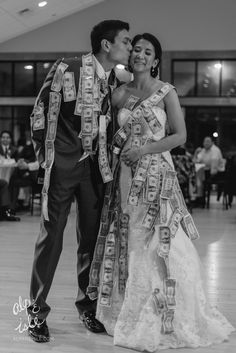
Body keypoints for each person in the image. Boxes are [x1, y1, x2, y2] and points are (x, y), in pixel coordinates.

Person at [88, 33, 234, 352]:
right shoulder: (117, 94)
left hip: (157, 175)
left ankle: (167, 313)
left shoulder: (165, 91)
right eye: (136, 49)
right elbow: (106, 137)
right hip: (125, 176)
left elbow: (179, 135)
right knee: (131, 240)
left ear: (156, 60)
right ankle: (125, 310)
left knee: (160, 242)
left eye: (147, 51)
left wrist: (145, 150)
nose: (140, 54)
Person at [27, 20, 132, 343]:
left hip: (96, 172)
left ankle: (87, 306)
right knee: (51, 238)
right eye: (125, 42)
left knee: (91, 241)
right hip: (62, 166)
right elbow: (40, 111)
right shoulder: (67, 67)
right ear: (106, 45)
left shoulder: (115, 80)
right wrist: (49, 159)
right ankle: (36, 311)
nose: (129, 47)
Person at [194, 137, 224, 207]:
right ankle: (199, 198)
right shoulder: (203, 150)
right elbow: (196, 160)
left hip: (217, 173)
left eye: (208, 141)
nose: (206, 143)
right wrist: (196, 152)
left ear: (212, 142)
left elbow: (214, 167)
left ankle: (200, 198)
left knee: (200, 177)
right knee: (197, 174)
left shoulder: (215, 150)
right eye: (204, 141)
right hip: (206, 171)